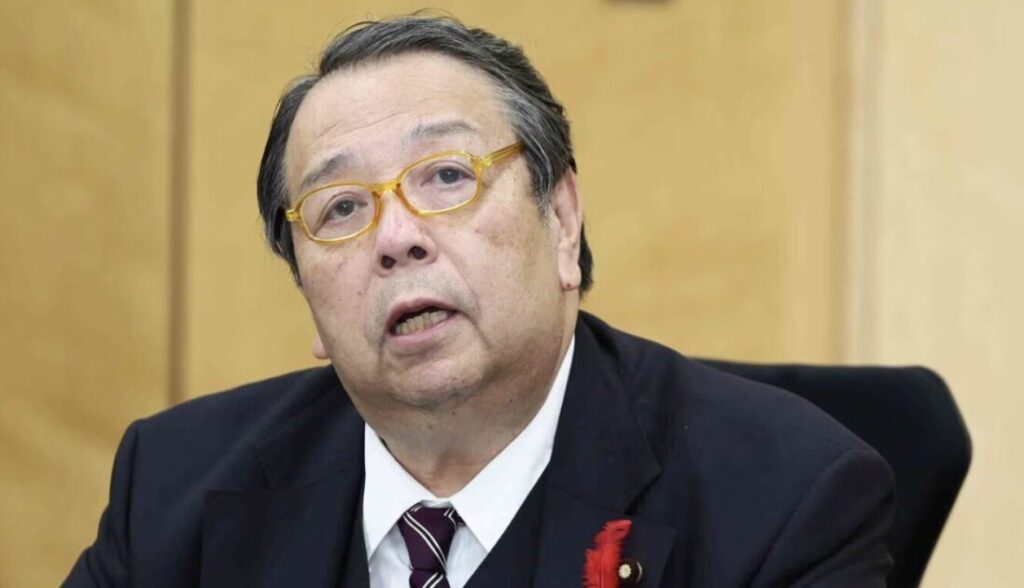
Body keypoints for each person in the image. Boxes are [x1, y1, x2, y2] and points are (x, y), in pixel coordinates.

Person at [66, 15, 895, 588]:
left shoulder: (787, 499)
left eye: (447, 177)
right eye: (342, 209)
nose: (396, 237)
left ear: (562, 221)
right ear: (306, 296)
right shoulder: (171, 487)